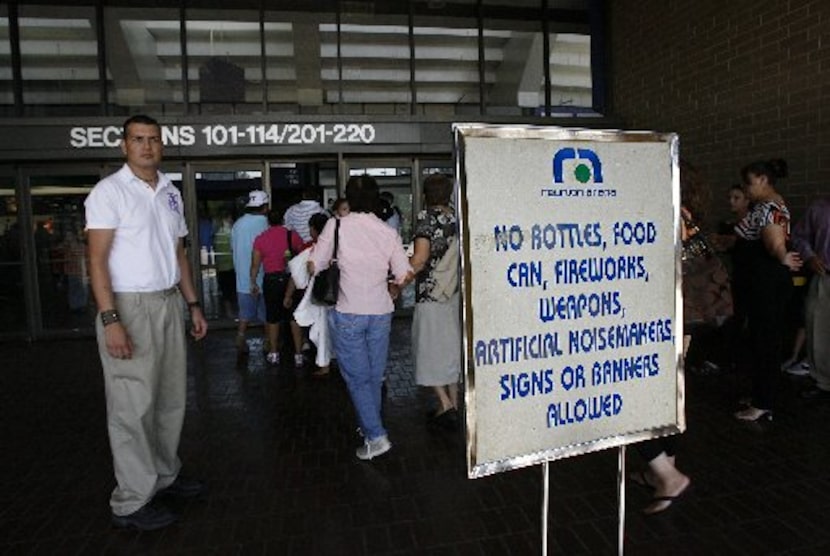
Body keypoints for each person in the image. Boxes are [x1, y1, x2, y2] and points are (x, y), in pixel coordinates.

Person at [85, 114, 208, 531]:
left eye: (153, 139)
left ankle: (164, 476)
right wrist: (110, 319)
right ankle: (132, 500)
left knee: (170, 398)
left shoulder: (170, 192)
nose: (147, 146)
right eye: (138, 139)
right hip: (128, 305)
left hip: (169, 301)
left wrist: (193, 304)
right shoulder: (109, 192)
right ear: (124, 146)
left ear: (161, 144)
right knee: (131, 404)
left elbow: (179, 255)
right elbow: (96, 260)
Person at [308, 175, 413, 461]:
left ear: (349, 198)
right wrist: (392, 288)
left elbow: (314, 264)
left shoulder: (337, 224)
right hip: (380, 312)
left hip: (348, 311)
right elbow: (404, 274)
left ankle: (377, 437)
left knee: (357, 379)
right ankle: (370, 427)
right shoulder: (387, 231)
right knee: (373, 377)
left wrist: (325, 263)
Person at [733, 159, 802, 421]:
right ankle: (759, 394)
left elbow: (774, 244)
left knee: (766, 341)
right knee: (759, 339)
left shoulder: (771, 208)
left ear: (763, 180)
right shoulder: (762, 207)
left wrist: (782, 256)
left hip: (768, 285)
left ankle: (763, 402)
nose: (746, 188)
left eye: (749, 183)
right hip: (760, 283)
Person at [408, 174, 461, 430]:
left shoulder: (425, 217)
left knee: (429, 348)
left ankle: (444, 402)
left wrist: (398, 281)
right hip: (455, 292)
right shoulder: (458, 217)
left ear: (427, 193)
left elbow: (419, 259)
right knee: (451, 348)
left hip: (431, 292)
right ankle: (454, 401)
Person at [250, 209, 305, 366]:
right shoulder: (292, 235)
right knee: (294, 317)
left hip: (271, 280)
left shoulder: (261, 239)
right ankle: (298, 355)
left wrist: (253, 282)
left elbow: (255, 264)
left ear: (268, 221)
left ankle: (274, 353)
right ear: (282, 219)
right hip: (290, 279)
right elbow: (301, 256)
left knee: (273, 318)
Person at [792, 197, 830, 399]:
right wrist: (809, 256)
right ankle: (823, 383)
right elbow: (799, 236)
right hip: (825, 276)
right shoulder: (818, 208)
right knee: (818, 329)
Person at [290, 212, 334, 376]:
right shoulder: (338, 246)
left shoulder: (313, 249)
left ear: (314, 230)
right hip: (342, 293)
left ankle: (324, 364)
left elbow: (298, 275)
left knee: (321, 330)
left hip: (322, 293)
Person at [231, 190, 270, 354]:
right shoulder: (265, 223)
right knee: (269, 315)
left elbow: (233, 248)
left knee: (245, 314)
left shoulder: (238, 224)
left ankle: (240, 337)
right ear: (265, 206)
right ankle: (270, 342)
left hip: (243, 278)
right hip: (265, 275)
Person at [213, 210, 236, 319]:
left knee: (225, 290)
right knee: (230, 290)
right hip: (230, 266)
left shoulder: (218, 233)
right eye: (230, 218)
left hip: (221, 266)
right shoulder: (230, 232)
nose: (232, 220)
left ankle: (228, 312)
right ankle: (230, 312)